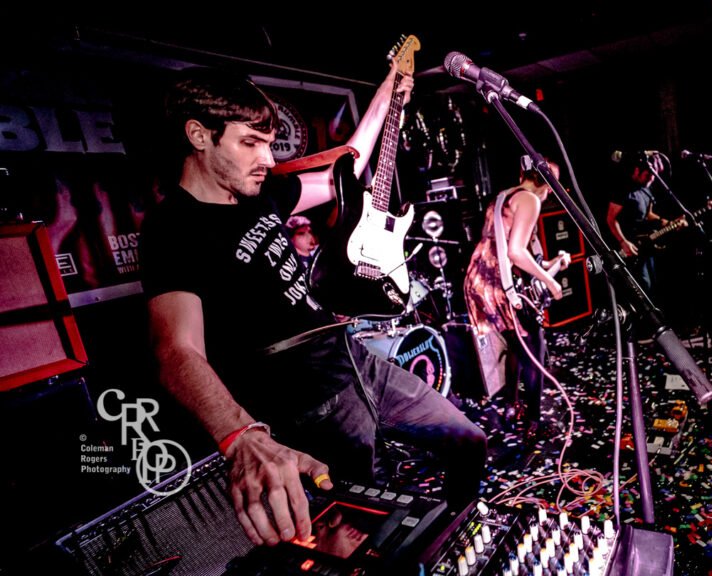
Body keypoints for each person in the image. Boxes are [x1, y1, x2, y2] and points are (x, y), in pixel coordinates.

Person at [141, 59, 486, 548]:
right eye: (250, 143)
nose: (267, 158)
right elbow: (176, 350)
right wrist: (240, 436)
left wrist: (388, 92)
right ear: (199, 135)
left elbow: (348, 168)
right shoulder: (172, 228)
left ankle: (462, 542)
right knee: (365, 524)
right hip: (305, 401)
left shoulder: (260, 194)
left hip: (353, 360)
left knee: (469, 440)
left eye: (268, 143)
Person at [464, 157, 570, 434]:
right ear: (547, 184)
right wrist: (551, 282)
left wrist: (553, 264)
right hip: (500, 285)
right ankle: (534, 422)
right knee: (535, 350)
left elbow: (515, 251)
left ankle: (512, 405)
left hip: (481, 278)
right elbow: (515, 253)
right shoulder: (530, 200)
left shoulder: (504, 196)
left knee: (517, 345)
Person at [606, 151, 681, 295]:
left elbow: (648, 215)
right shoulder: (623, 189)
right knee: (643, 286)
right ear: (637, 171)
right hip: (627, 248)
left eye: (653, 176)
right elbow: (610, 219)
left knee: (653, 284)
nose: (651, 179)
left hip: (644, 246)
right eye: (648, 175)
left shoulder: (646, 189)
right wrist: (623, 241)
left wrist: (666, 222)